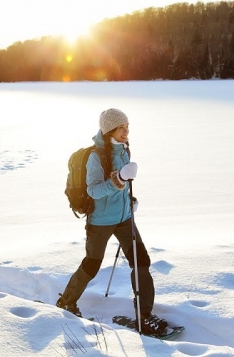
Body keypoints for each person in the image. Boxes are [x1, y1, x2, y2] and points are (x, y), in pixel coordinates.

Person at [56, 108, 168, 335]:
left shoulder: (123, 150)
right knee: (92, 264)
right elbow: (94, 190)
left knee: (141, 261)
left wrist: (129, 200)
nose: (126, 132)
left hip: (125, 218)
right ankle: (67, 301)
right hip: (101, 221)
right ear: (110, 130)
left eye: (127, 127)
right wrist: (119, 179)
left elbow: (122, 185)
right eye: (121, 128)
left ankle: (144, 316)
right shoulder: (97, 157)